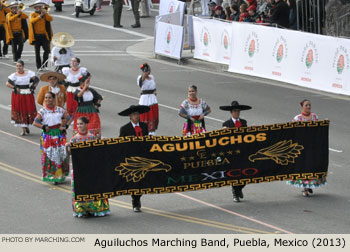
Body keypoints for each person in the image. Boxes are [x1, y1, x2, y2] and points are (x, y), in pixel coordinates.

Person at [66, 116, 110, 218]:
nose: (79, 126)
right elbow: (70, 155)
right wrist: (67, 147)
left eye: (81, 124)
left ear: (86, 124)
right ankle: (82, 209)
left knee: (93, 188)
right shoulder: (74, 139)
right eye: (78, 124)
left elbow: (98, 153)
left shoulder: (92, 138)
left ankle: (96, 208)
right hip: (79, 169)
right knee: (81, 189)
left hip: (91, 168)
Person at [287, 99, 327, 196]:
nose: (308, 107)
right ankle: (305, 188)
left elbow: (318, 130)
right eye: (306, 105)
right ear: (302, 106)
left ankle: (310, 184)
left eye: (309, 105)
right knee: (304, 166)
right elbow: (292, 131)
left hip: (313, 146)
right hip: (302, 147)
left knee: (313, 165)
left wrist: (324, 124)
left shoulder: (314, 116)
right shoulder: (297, 118)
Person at [33, 91, 72, 184]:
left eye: (49, 98)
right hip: (48, 136)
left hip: (59, 135)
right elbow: (35, 122)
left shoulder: (60, 110)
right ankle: (53, 175)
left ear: (54, 99)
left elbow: (70, 118)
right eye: (46, 98)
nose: (47, 100)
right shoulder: (42, 111)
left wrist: (65, 126)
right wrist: (43, 127)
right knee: (50, 155)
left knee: (61, 154)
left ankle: (60, 174)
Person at [118, 104, 150, 212]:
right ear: (130, 117)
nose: (136, 116)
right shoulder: (125, 129)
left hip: (143, 156)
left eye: (137, 114)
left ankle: (138, 197)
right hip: (132, 159)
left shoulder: (144, 126)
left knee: (142, 180)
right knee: (135, 180)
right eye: (134, 114)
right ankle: (135, 201)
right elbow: (121, 144)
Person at [220, 100, 252, 202]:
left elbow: (247, 135)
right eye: (234, 111)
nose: (236, 113)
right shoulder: (226, 124)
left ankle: (239, 188)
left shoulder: (243, 122)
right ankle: (235, 191)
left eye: (238, 111)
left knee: (247, 172)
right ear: (231, 112)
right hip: (232, 152)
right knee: (235, 172)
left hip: (243, 151)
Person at [6, 60, 39, 135]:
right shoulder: (14, 75)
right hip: (18, 94)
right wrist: (15, 88)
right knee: (19, 110)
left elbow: (36, 80)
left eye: (20, 66)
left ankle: (26, 125)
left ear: (23, 66)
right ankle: (23, 129)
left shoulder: (29, 73)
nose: (18, 67)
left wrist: (33, 87)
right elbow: (7, 83)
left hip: (27, 93)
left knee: (27, 109)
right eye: (17, 66)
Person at [73, 72, 103, 138]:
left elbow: (99, 98)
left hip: (91, 111)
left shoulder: (91, 90)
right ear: (82, 83)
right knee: (82, 126)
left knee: (93, 126)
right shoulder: (77, 90)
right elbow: (79, 95)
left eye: (88, 82)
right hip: (81, 111)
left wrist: (97, 105)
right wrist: (84, 88)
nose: (88, 84)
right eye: (87, 82)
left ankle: (94, 140)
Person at [28, 1, 53, 70]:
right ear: (35, 8)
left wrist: (45, 13)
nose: (40, 8)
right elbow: (32, 21)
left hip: (44, 35)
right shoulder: (32, 14)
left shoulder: (45, 14)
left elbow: (50, 19)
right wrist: (40, 16)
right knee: (37, 52)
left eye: (41, 7)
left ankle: (44, 65)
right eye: (38, 7)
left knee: (47, 50)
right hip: (36, 36)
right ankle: (39, 66)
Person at [137, 63, 158, 135]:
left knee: (153, 115)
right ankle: (144, 131)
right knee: (145, 115)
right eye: (147, 70)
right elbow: (140, 83)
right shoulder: (140, 77)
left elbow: (153, 86)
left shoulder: (152, 77)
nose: (149, 71)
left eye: (149, 69)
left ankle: (152, 132)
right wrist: (144, 74)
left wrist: (155, 90)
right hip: (145, 99)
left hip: (152, 99)